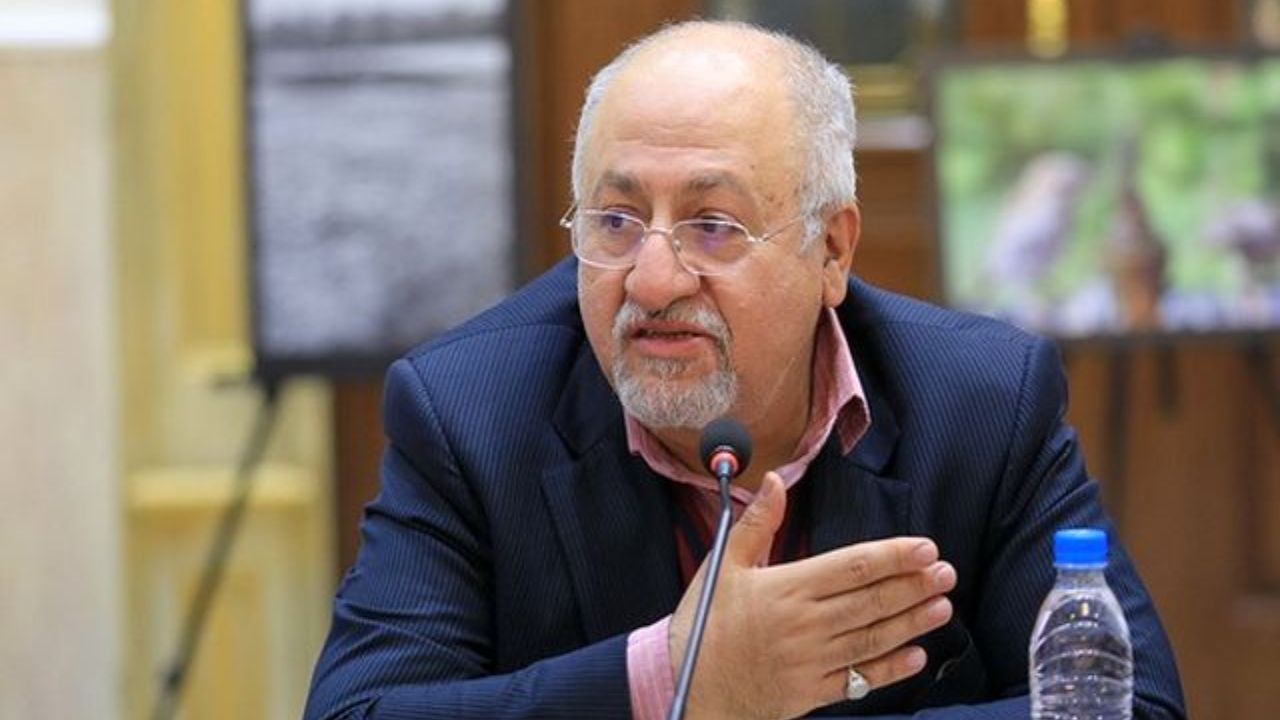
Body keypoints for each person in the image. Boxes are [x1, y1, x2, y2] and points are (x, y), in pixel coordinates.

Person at [303, 20, 1185, 720]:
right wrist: (667, 679)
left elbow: (1125, 706)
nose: (652, 279)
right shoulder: (470, 411)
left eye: (713, 226)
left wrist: (752, 701)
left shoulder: (982, 401)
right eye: (615, 221)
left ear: (831, 250)